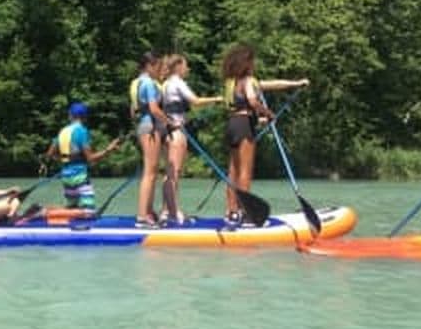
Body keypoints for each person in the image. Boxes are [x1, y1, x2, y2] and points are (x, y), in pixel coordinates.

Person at [221, 44, 308, 223]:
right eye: (252, 62)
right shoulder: (248, 81)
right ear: (246, 63)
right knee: (245, 171)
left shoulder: (232, 82)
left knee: (232, 171)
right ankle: (245, 213)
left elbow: (268, 86)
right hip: (244, 127)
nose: (254, 65)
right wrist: (268, 114)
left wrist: (295, 83)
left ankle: (231, 211)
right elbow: (252, 101)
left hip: (232, 125)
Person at [25, 102, 122, 221]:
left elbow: (50, 154)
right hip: (80, 176)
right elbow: (90, 159)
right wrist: (109, 149)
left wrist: (65, 160)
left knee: (71, 210)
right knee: (88, 212)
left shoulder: (63, 131)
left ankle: (38, 209)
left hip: (66, 175)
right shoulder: (82, 131)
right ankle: (44, 212)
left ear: (70, 116)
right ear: (85, 117)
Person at [160, 54, 225, 224]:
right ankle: (173, 212)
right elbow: (195, 101)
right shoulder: (177, 83)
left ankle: (166, 210)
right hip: (176, 131)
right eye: (186, 66)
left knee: (169, 172)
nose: (187, 69)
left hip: (166, 132)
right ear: (178, 67)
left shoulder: (165, 83)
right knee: (174, 173)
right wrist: (217, 99)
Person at [132, 51, 171, 227]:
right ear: (149, 66)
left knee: (152, 172)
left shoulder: (137, 82)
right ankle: (142, 215)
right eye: (157, 66)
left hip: (143, 126)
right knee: (150, 172)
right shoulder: (148, 83)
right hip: (150, 127)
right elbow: (154, 109)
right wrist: (170, 122)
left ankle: (147, 211)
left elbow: (133, 111)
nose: (159, 70)